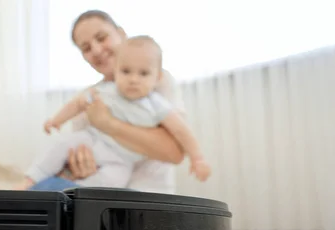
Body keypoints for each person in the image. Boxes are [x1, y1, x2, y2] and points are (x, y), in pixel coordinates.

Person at [17, 35, 210, 190]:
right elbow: (77, 104)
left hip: (123, 160)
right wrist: (56, 120)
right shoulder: (107, 91)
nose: (133, 79)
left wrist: (198, 158)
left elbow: (181, 131)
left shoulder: (157, 105)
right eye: (126, 71)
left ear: (157, 77)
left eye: (143, 73)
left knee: (114, 182)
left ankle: (75, 196)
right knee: (60, 143)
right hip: (93, 141)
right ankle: (30, 180)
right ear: (115, 71)